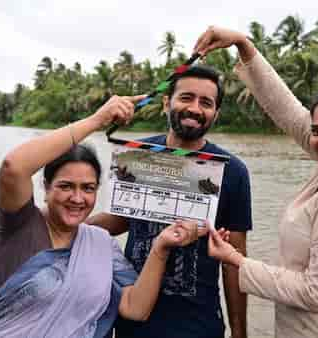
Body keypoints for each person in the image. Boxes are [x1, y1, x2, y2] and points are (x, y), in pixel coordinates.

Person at [196, 26, 318, 338]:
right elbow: (286, 110)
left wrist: (236, 261)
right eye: (317, 131)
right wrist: (244, 45)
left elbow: (316, 294)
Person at [0, 95, 208, 338]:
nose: (77, 199)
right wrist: (97, 121)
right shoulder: (20, 226)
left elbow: (135, 308)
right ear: (46, 188)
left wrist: (161, 248)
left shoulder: (100, 244)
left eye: (87, 188)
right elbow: (13, 167)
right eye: (66, 186)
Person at [87, 65, 252, 338]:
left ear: (216, 114)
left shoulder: (233, 171)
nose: (195, 109)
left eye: (206, 103)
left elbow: (234, 261)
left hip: (198, 324)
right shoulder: (138, 156)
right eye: (186, 98)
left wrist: (239, 333)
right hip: (134, 319)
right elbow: (122, 217)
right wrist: (64, 232)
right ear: (167, 103)